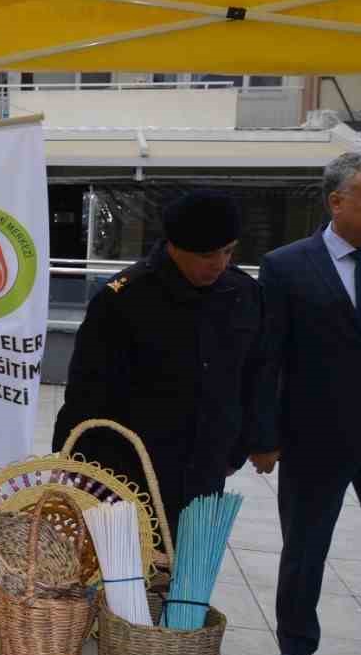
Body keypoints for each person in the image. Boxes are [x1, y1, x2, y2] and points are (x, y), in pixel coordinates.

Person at [52, 191, 265, 535]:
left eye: (228, 251)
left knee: (192, 563)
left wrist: (236, 450)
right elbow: (87, 393)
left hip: (205, 468)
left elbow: (253, 375)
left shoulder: (242, 294)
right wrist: (75, 465)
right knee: (131, 562)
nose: (219, 264)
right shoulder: (124, 299)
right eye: (207, 255)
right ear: (174, 246)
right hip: (132, 469)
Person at [254, 151, 361, 655]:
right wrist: (263, 436)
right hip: (315, 435)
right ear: (337, 201)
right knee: (305, 550)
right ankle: (295, 647)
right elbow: (268, 358)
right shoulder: (286, 266)